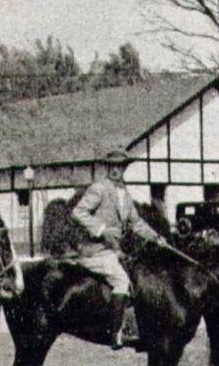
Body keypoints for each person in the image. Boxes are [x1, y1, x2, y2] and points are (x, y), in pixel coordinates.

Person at [71, 149, 166, 351]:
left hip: (114, 252)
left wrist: (157, 238)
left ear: (124, 168)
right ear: (108, 168)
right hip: (95, 250)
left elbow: (136, 222)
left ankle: (139, 327)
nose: (116, 170)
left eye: (120, 167)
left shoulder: (125, 194)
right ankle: (116, 332)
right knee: (121, 280)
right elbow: (79, 212)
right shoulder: (99, 188)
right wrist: (101, 229)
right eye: (112, 166)